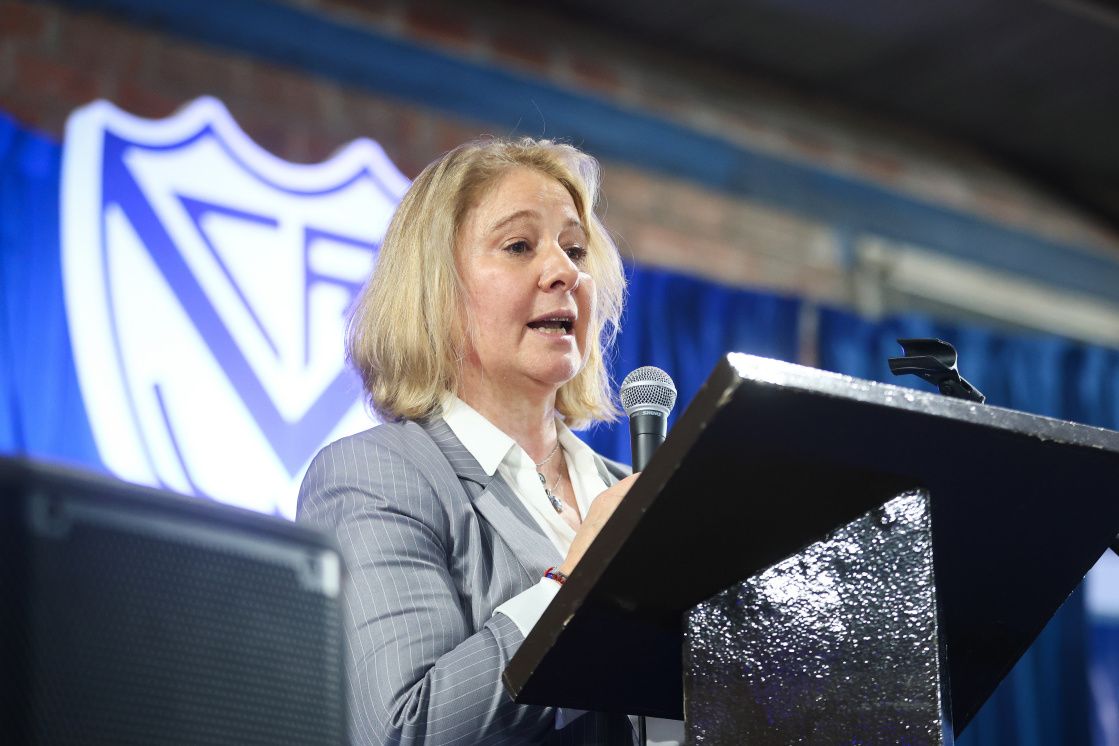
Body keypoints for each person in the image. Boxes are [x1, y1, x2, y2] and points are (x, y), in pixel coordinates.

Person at [298, 137, 643, 745]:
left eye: (575, 249)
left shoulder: (627, 493)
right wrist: (575, 587)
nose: (565, 271)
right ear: (436, 290)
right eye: (519, 246)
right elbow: (403, 729)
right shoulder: (377, 477)